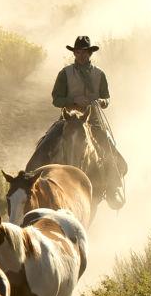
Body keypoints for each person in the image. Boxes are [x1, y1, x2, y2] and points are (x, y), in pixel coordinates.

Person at [51, 35, 127, 202]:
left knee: (108, 149)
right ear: (74, 53)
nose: (81, 55)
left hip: (93, 119)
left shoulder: (99, 74)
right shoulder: (65, 74)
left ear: (90, 53)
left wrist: (100, 101)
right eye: (78, 52)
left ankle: (113, 187)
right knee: (46, 143)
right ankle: (31, 176)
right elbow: (56, 99)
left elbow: (106, 98)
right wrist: (73, 101)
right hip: (69, 118)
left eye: (85, 52)